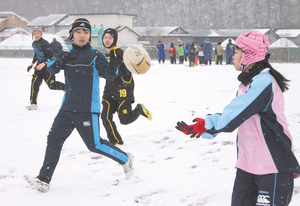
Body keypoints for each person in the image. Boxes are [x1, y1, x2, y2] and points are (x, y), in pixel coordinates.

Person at [176, 31, 300, 206]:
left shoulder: (264, 82)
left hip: (272, 166)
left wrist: (208, 125)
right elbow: (237, 116)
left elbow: (233, 116)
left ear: (249, 54)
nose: (232, 56)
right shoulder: (248, 84)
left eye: (236, 52)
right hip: (248, 165)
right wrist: (208, 126)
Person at [23, 18, 134, 193]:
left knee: (94, 145)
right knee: (54, 139)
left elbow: (109, 75)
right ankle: (44, 179)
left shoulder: (96, 55)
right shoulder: (65, 54)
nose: (82, 36)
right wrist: (60, 62)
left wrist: (113, 66)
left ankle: (125, 158)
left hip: (87, 109)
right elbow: (50, 69)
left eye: (86, 32)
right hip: (67, 107)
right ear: (72, 34)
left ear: (90, 35)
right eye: (78, 32)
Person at [101, 28, 152, 145]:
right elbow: (101, 72)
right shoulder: (104, 56)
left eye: (110, 38)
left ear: (115, 40)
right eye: (105, 38)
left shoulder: (122, 54)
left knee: (124, 120)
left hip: (123, 91)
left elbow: (128, 73)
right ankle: (116, 142)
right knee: (105, 117)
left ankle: (139, 109)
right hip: (109, 92)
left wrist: (117, 68)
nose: (107, 40)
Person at [26, 26, 65, 110]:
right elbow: (36, 55)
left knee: (52, 85)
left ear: (41, 33)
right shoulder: (34, 44)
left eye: (38, 33)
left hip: (47, 67)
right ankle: (33, 103)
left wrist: (43, 64)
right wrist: (32, 64)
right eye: (35, 33)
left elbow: (50, 56)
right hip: (38, 68)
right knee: (34, 84)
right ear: (32, 34)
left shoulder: (44, 43)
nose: (36, 35)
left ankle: (68, 88)